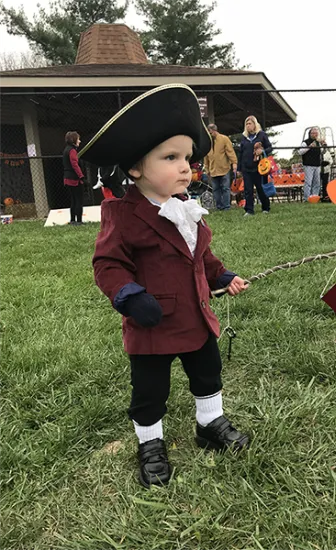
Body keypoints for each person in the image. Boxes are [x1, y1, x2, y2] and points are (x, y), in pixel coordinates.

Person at [79, 83, 249, 489]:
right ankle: (150, 444)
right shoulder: (123, 213)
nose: (185, 166)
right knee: (150, 389)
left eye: (187, 157)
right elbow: (107, 264)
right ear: (136, 168)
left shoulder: (188, 209)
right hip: (151, 325)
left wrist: (221, 276)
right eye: (170, 157)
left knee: (208, 372)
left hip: (196, 316)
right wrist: (128, 295)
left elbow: (199, 256)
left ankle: (209, 424)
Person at [238, 116, 272, 216]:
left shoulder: (262, 135)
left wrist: (263, 151)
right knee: (247, 190)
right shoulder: (244, 138)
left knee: (260, 188)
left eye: (250, 124)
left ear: (255, 124)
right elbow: (240, 153)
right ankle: (249, 210)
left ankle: (265, 207)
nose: (248, 126)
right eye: (246, 124)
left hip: (260, 168)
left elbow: (269, 147)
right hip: (246, 168)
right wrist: (239, 168)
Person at [204, 124, 237, 211]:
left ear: (214, 131)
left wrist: (234, 163)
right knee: (215, 189)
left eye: (210, 132)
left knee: (225, 188)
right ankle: (219, 207)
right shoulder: (207, 142)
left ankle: (226, 207)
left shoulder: (224, 139)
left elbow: (230, 152)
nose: (209, 134)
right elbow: (206, 157)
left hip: (224, 168)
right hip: (213, 170)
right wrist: (207, 169)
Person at [63, 131, 85, 225]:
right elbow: (74, 164)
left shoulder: (65, 150)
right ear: (74, 140)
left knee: (73, 200)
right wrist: (81, 176)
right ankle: (79, 220)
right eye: (78, 139)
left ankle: (72, 220)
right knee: (78, 199)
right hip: (74, 179)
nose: (79, 141)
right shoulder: (72, 151)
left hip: (67, 178)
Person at [298, 128, 324, 202]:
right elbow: (300, 152)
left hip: (317, 165)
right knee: (308, 182)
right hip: (308, 165)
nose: (315, 134)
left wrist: (324, 146)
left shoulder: (318, 143)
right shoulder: (305, 142)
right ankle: (307, 198)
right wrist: (309, 147)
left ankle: (315, 198)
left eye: (316, 133)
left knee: (317, 182)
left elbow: (322, 152)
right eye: (314, 133)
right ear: (310, 134)